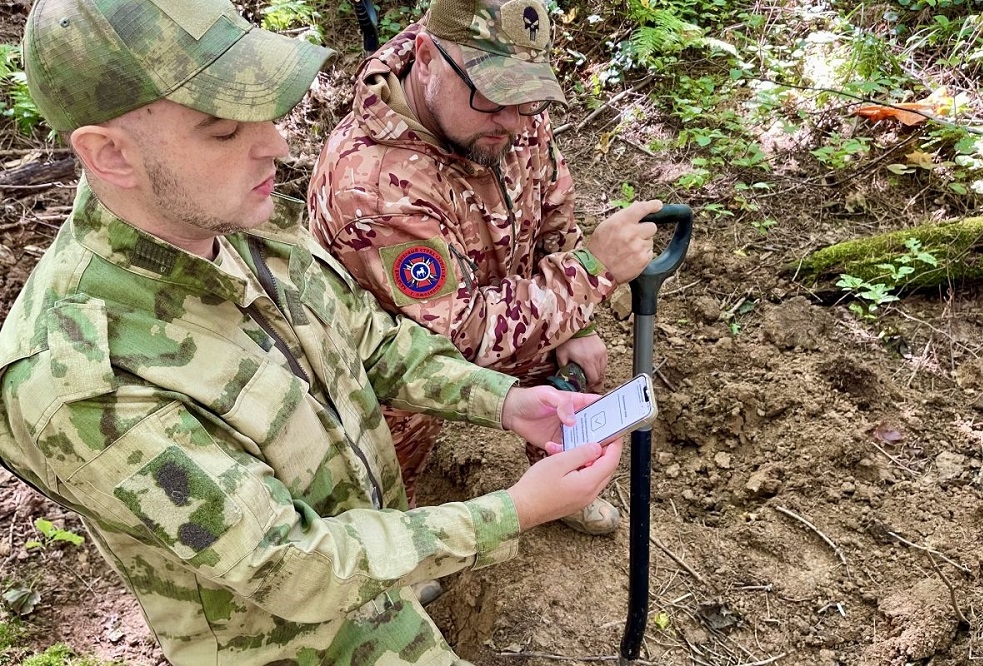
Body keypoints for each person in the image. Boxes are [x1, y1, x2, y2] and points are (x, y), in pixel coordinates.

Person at [0, 0, 624, 664]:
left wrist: (504, 402)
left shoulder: (237, 224)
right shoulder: (81, 375)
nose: (278, 145)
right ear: (110, 156)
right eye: (221, 130)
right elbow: (290, 564)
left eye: (264, 113)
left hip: (386, 582)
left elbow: (370, 339)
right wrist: (512, 511)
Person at [307, 0, 662, 537]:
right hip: (397, 352)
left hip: (505, 299)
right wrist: (590, 273)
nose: (516, 123)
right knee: (392, 441)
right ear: (426, 57)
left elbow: (551, 206)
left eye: (530, 99)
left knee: (567, 367)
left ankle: (559, 480)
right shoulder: (373, 186)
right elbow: (454, 344)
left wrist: (576, 318)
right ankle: (395, 542)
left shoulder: (500, 108)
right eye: (496, 97)